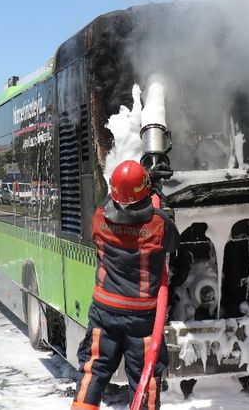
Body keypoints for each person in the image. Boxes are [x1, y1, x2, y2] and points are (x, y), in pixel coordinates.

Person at [73, 160, 179, 410]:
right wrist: (151, 189)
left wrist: (139, 186)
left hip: (104, 312)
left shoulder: (99, 217)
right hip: (141, 319)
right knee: (144, 378)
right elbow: (173, 242)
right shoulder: (158, 224)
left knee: (93, 370)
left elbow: (112, 201)